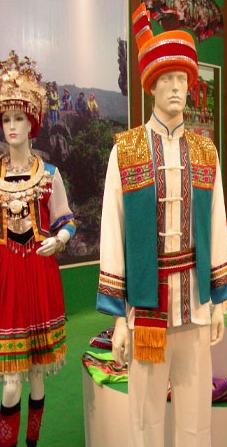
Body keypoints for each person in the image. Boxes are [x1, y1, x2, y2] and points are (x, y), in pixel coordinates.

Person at [96, 4, 227, 447]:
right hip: (147, 309)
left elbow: (216, 225)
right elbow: (112, 231)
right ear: (152, 84)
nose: (176, 87)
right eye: (167, 78)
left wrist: (220, 301)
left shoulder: (206, 151)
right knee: (146, 415)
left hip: (195, 305)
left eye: (182, 79)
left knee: (196, 416)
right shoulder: (126, 150)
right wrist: (119, 318)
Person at [0, 51, 75, 447]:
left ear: (32, 122)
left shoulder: (48, 175)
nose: (12, 126)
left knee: (36, 374)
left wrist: (60, 239)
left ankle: (32, 441)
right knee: (11, 382)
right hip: (6, 280)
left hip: (39, 275)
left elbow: (66, 220)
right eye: (6, 119)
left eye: (19, 118)